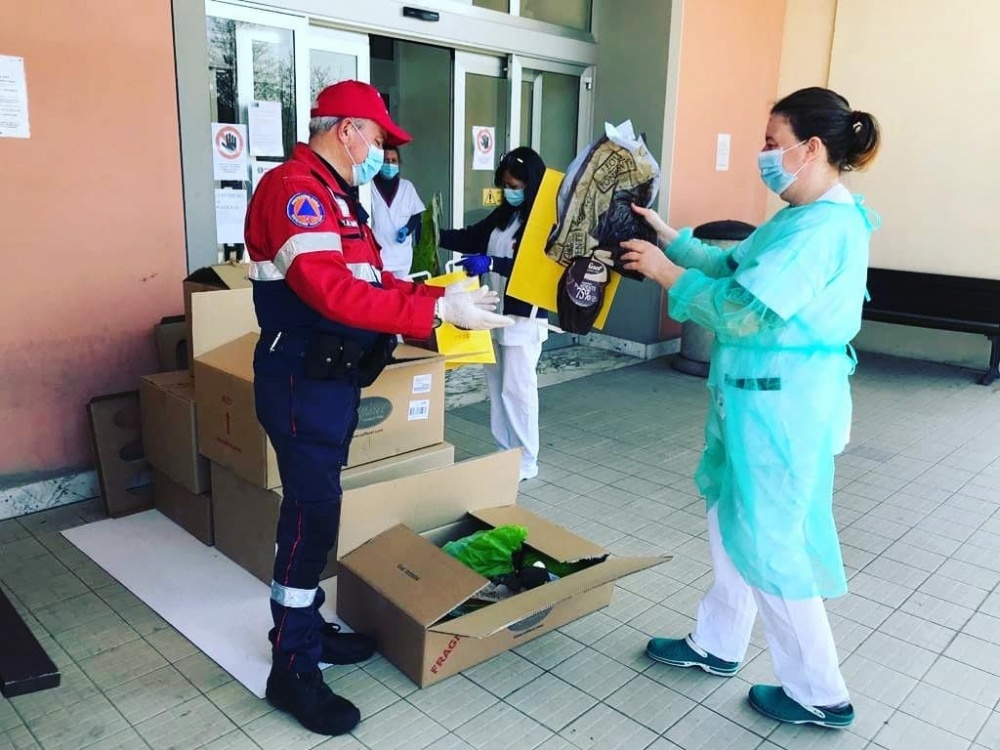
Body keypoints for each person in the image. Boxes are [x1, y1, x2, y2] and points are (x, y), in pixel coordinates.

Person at [244, 80, 512, 737]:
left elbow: (371, 281)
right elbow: (329, 291)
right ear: (347, 130)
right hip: (301, 385)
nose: (385, 152)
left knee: (319, 509)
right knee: (309, 520)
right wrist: (431, 309)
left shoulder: (337, 196)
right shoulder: (295, 191)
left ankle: (307, 627)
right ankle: (291, 664)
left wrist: (440, 296)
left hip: (326, 384)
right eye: (381, 139)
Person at [620, 87, 881, 729]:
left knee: (772, 545)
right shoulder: (794, 217)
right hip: (750, 404)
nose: (763, 155)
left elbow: (741, 310)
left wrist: (664, 274)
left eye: (772, 142)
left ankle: (819, 692)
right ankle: (717, 644)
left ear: (811, 148)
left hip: (786, 412)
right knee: (728, 521)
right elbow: (731, 266)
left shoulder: (824, 230)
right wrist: (670, 241)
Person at [439, 147, 548, 481]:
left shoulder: (543, 223)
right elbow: (473, 236)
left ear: (531, 185)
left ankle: (527, 458)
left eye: (515, 185)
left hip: (522, 317)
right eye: (505, 185)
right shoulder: (504, 217)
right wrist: (433, 232)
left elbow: (536, 267)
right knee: (498, 387)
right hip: (492, 312)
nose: (510, 191)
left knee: (519, 389)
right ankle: (505, 451)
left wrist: (492, 262)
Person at [371, 145, 425, 279]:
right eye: (386, 161)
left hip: (402, 258)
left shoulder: (407, 187)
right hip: (378, 257)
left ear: (399, 163)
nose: (389, 164)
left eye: (393, 161)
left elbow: (416, 215)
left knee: (400, 294)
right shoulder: (368, 187)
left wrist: (407, 229)